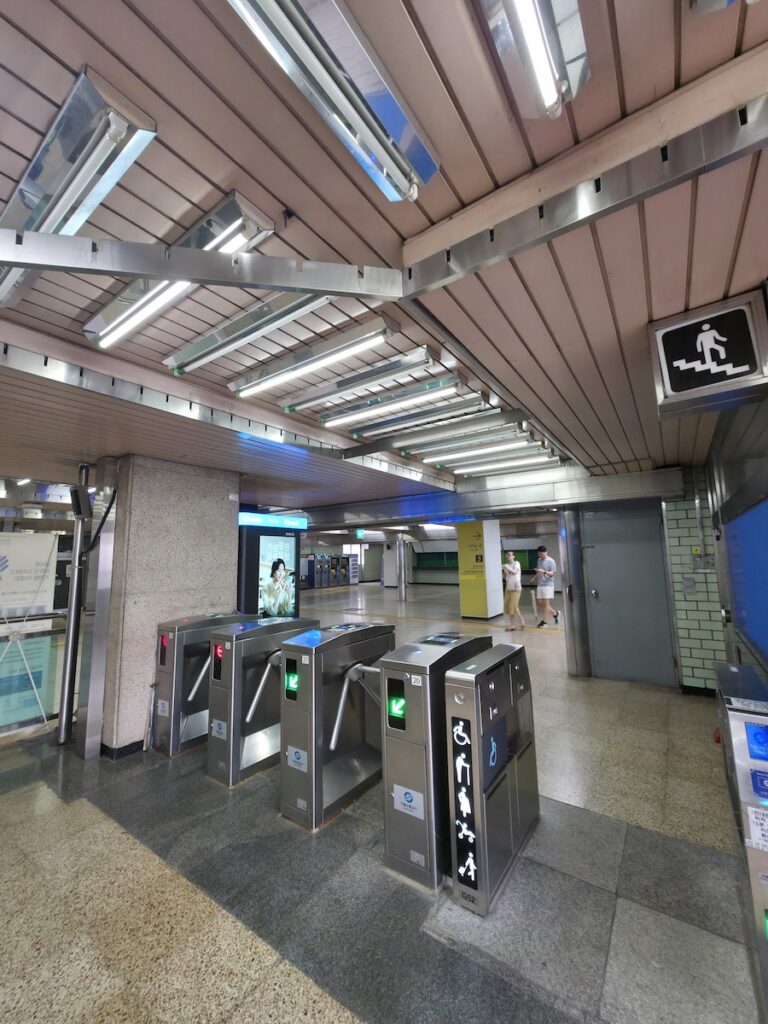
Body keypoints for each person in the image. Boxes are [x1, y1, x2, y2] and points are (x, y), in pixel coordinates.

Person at [533, 545, 559, 628]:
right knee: (541, 603)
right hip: (540, 584)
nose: (540, 556)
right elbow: (539, 570)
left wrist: (544, 572)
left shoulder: (551, 561)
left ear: (546, 552)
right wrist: (535, 575)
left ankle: (545, 622)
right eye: (539, 554)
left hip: (548, 585)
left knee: (546, 604)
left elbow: (553, 573)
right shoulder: (539, 560)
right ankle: (555, 613)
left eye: (541, 554)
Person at [501, 550, 525, 631]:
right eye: (507, 555)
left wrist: (506, 566)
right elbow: (505, 578)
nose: (508, 556)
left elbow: (514, 572)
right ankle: (514, 624)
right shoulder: (506, 565)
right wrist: (503, 571)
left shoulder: (517, 563)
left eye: (510, 555)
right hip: (508, 587)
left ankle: (520, 621)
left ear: (514, 556)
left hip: (516, 588)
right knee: (508, 606)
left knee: (513, 606)